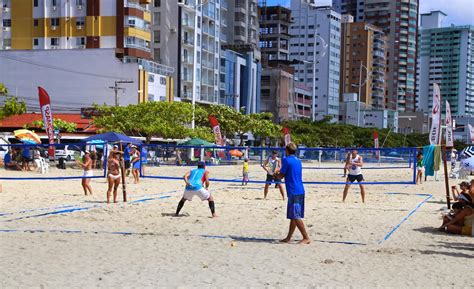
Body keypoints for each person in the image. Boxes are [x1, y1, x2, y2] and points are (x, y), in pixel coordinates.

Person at [274, 143, 310, 245]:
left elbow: (281, 176)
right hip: (300, 189)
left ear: (287, 150)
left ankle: (306, 237)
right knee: (293, 216)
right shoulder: (298, 160)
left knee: (295, 215)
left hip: (293, 190)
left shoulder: (286, 160)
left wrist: (275, 173)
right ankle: (288, 237)